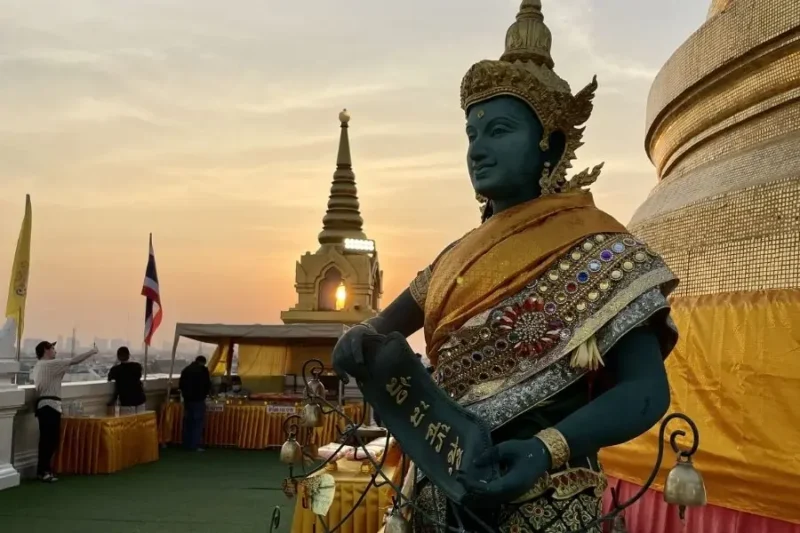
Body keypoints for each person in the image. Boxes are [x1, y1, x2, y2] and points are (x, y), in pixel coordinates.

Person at [333, 2, 678, 532]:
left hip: (543, 496)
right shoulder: (454, 260)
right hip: (438, 487)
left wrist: (546, 449)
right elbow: (379, 329)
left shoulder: (603, 250)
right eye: (472, 135)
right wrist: (360, 337)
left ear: (551, 144)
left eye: (498, 131)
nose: (477, 150)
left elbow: (646, 391)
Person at [31, 341, 98, 482]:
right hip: (50, 405)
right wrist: (92, 351)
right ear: (46, 350)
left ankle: (44, 470)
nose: (55, 351)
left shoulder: (38, 366)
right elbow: (74, 360)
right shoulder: (50, 364)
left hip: (45, 405)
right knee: (49, 440)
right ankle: (44, 471)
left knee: (47, 439)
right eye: (53, 348)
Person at [179, 355, 211, 451]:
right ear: (203, 362)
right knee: (197, 423)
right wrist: (204, 395)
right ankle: (195, 445)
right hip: (198, 400)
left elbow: (181, 385)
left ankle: (186, 444)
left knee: (188, 422)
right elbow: (207, 385)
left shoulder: (186, 370)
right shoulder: (203, 370)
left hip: (188, 400)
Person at [107, 346, 146, 414]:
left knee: (128, 423)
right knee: (141, 423)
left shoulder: (116, 370)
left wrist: (116, 362)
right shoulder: (137, 366)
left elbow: (109, 378)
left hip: (127, 402)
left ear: (118, 357)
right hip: (140, 400)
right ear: (128, 355)